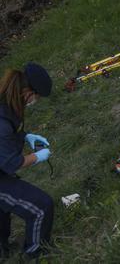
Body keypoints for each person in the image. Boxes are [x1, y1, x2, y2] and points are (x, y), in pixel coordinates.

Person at [0, 63, 54, 259]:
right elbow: (12, 163)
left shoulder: (7, 104)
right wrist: (38, 157)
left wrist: (25, 136)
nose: (36, 100)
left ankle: (2, 250)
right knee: (41, 206)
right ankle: (35, 254)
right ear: (26, 92)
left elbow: (10, 133)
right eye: (36, 96)